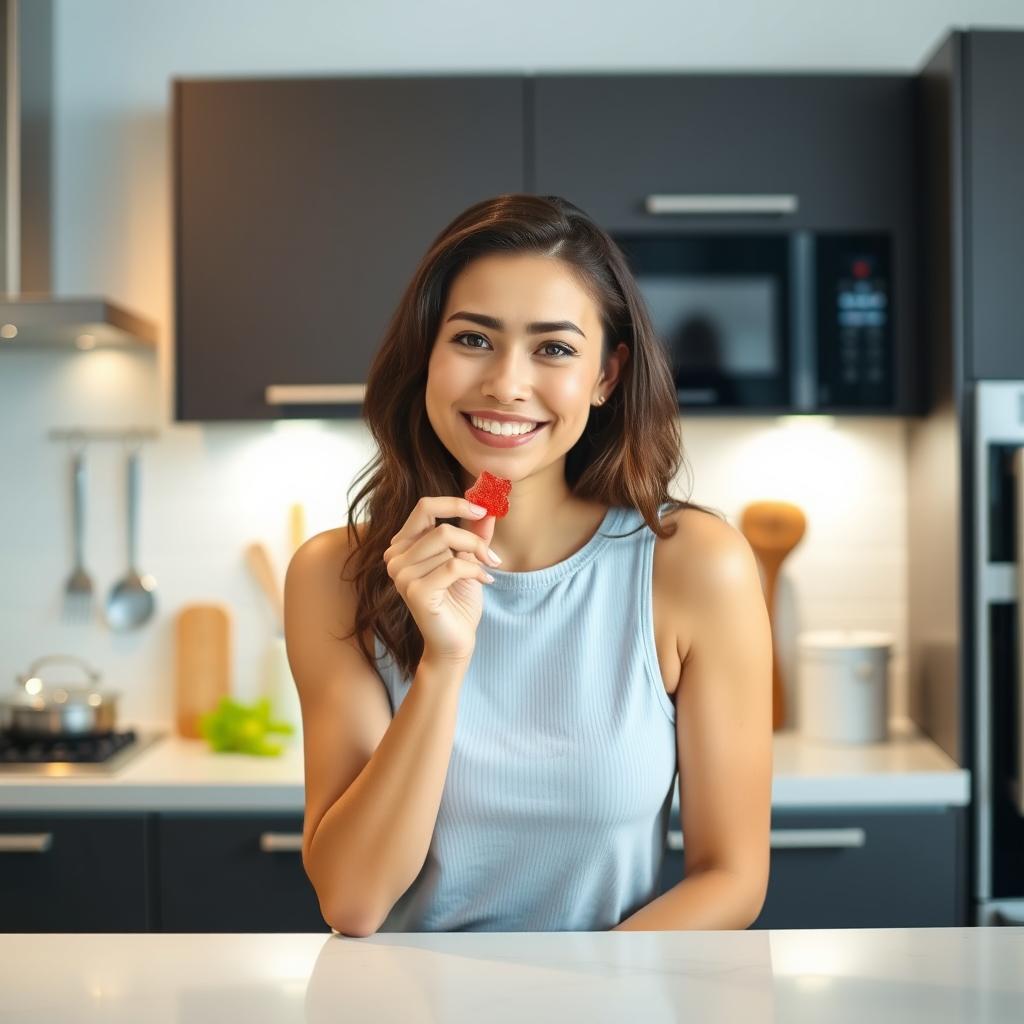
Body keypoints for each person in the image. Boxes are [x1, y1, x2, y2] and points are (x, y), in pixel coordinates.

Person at [284, 194, 772, 936]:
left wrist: (574, 1000)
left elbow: (731, 878)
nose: (507, 384)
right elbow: (353, 902)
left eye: (553, 348)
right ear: (426, 356)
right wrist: (444, 664)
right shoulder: (334, 574)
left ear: (607, 376)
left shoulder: (694, 565)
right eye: (474, 339)